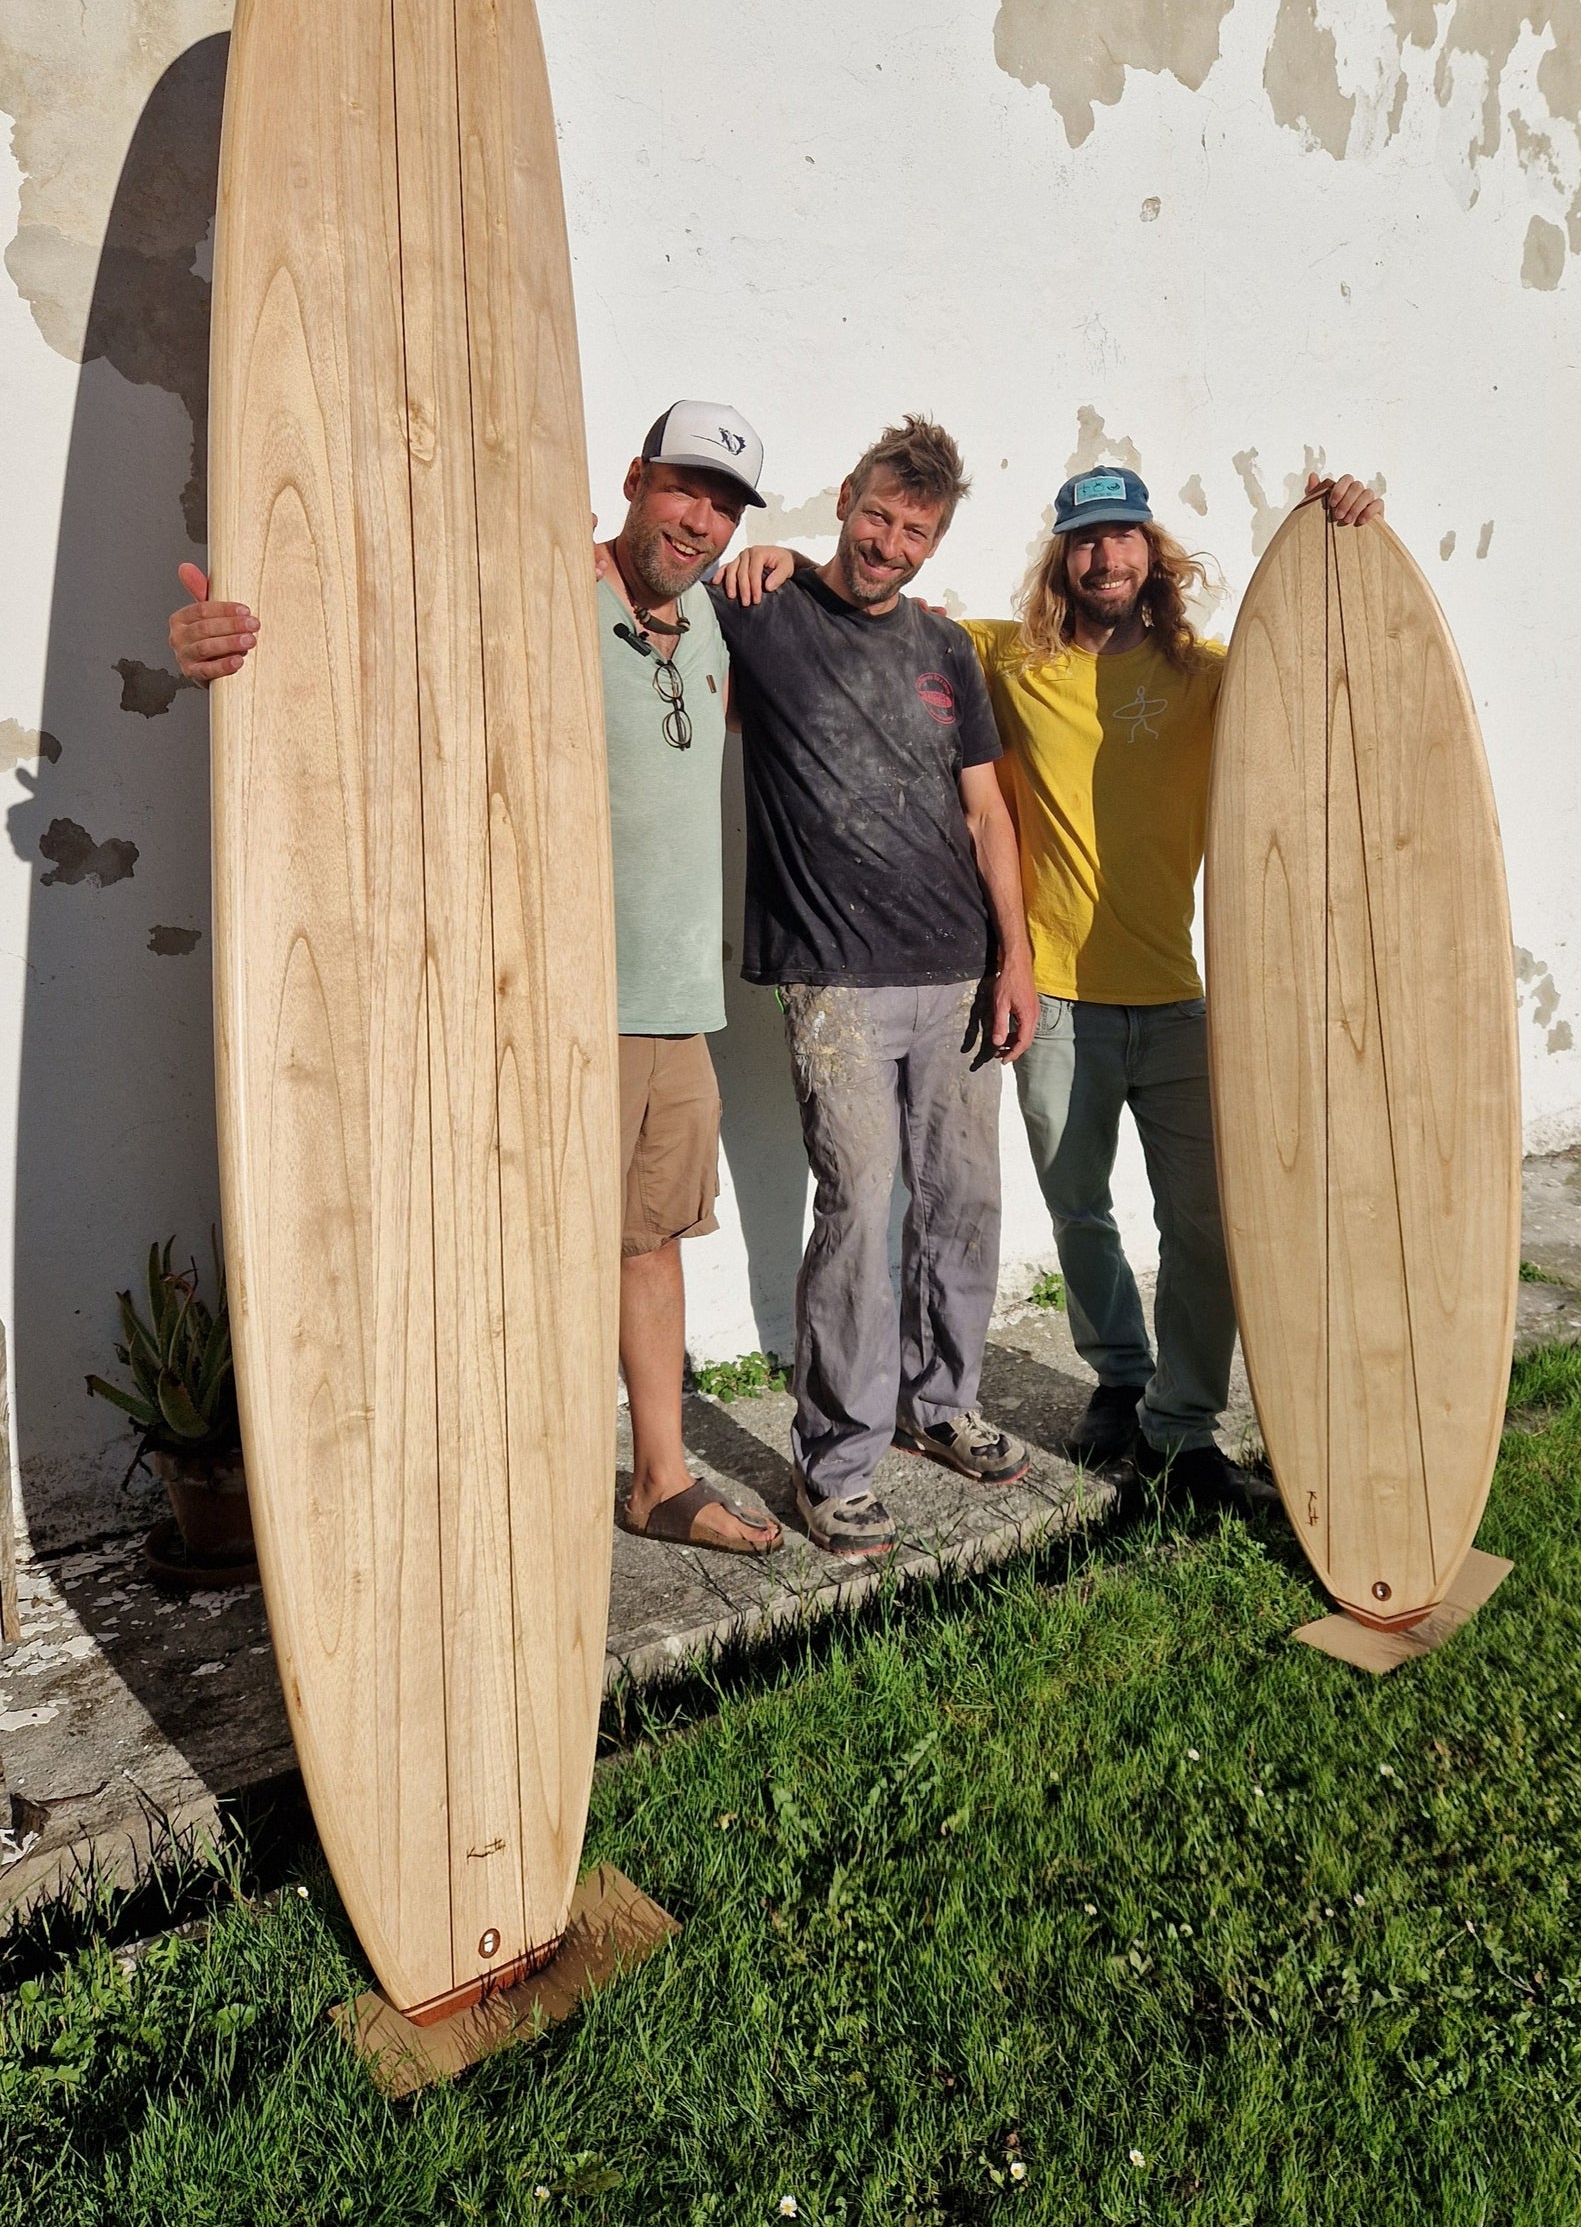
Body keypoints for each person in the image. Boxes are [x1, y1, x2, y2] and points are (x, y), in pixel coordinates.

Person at [168, 398, 785, 1556]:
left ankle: (657, 1476)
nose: (699, 520)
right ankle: (492, 1489)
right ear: (634, 477)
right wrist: (217, 648)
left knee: (646, 1241)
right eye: (683, 488)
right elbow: (384, 646)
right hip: (541, 1000)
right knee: (520, 1244)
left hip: (670, 1004)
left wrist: (804, 568)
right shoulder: (542, 590)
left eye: (725, 504)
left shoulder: (707, 624)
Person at [725, 459, 1381, 1518]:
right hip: (1051, 999)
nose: (1105, 557)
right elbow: (876, 597)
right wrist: (786, 558)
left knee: (1202, 1225)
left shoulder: (1210, 675)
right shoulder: (999, 656)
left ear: (1152, 551)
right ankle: (1118, 1377)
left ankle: (1183, 1425)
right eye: (1084, 539)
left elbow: (1317, 670)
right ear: (1061, 557)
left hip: (1172, 994)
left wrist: (1341, 532)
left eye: (1124, 536)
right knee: (1078, 1213)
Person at [708, 417, 1039, 1561]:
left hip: (956, 971)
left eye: (915, 531)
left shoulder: (947, 652)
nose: (889, 544)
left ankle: (942, 1407)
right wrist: (775, 558)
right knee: (856, 1211)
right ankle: (836, 1463)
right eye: (878, 516)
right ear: (844, 496)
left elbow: (988, 813)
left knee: (965, 1198)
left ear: (934, 542)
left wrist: (1018, 954)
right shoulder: (760, 607)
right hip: (833, 979)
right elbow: (649, 603)